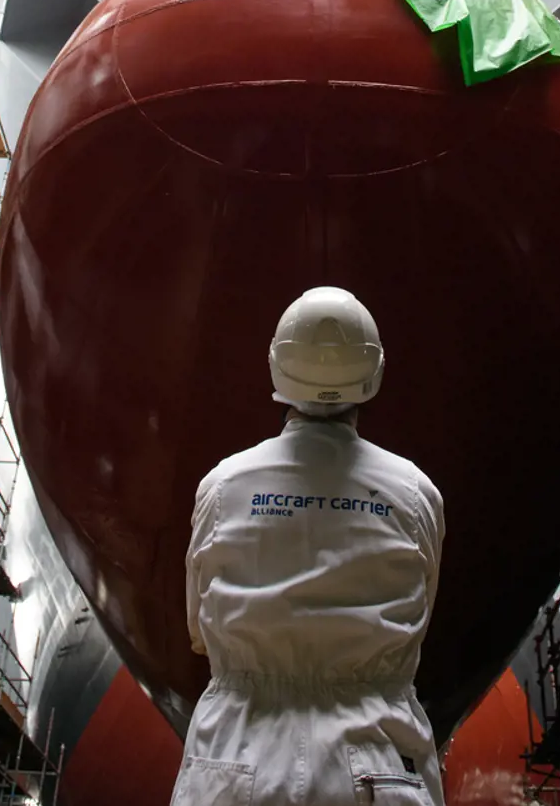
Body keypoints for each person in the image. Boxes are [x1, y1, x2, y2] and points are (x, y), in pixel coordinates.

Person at [172, 286, 445, 806]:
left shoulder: (223, 486)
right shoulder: (417, 494)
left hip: (237, 755)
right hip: (378, 764)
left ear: (277, 369)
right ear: (374, 375)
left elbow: (198, 628)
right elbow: (419, 617)